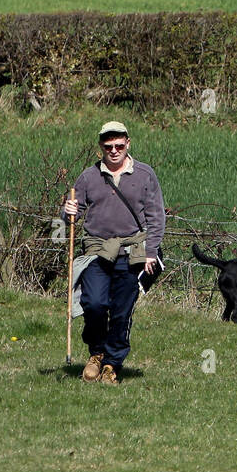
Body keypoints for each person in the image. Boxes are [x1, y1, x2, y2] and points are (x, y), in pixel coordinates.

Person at [62, 121, 165, 386]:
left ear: (128, 143)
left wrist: (151, 252)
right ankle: (96, 353)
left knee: (121, 311)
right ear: (101, 148)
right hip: (97, 250)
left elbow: (156, 217)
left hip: (133, 252)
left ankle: (112, 364)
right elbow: (70, 215)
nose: (115, 151)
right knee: (94, 304)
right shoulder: (88, 177)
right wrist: (68, 212)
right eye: (109, 147)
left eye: (119, 145)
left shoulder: (145, 174)